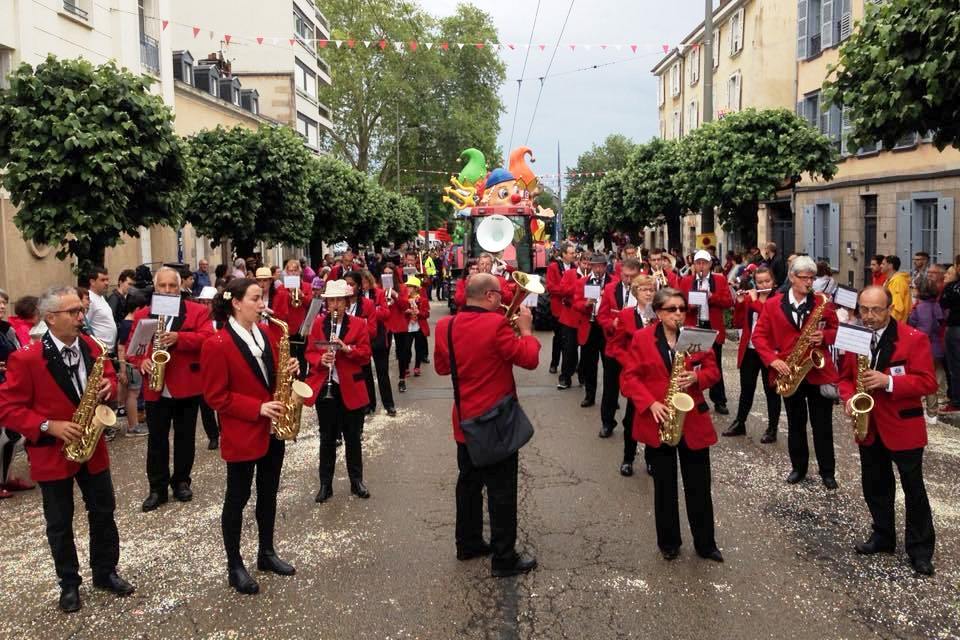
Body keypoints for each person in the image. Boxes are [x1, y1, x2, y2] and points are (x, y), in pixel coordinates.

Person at [0, 286, 134, 612]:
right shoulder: (26, 358)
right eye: (73, 312)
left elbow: (111, 377)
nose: (80, 316)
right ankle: (69, 584)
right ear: (50, 318)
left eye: (80, 310)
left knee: (103, 512)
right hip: (52, 452)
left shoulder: (91, 346)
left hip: (93, 446)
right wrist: (50, 425)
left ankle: (105, 571)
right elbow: (8, 407)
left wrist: (109, 386)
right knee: (60, 522)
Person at [433, 273, 541, 577]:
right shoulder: (497, 324)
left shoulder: (445, 325)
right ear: (491, 296)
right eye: (502, 295)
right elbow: (529, 359)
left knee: (468, 484)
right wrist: (526, 330)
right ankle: (504, 558)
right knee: (502, 490)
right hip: (496, 421)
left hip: (464, 420)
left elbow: (442, 368)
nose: (505, 300)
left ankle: (467, 543)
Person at [201, 278, 301, 595]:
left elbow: (270, 375)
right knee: (237, 499)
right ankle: (234, 565)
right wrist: (257, 407)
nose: (263, 305)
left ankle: (266, 552)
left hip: (272, 430)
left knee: (269, 493)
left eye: (262, 298)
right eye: (256, 299)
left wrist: (289, 370)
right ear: (236, 302)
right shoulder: (216, 344)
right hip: (244, 431)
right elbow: (215, 397)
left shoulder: (268, 333)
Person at [620, 287, 724, 563]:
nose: (678, 314)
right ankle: (669, 543)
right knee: (665, 487)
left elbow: (714, 372)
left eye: (682, 309)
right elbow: (629, 378)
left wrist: (697, 379)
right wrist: (650, 404)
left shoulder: (696, 337)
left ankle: (705, 543)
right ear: (657, 312)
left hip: (693, 421)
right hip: (661, 419)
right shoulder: (642, 339)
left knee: (699, 486)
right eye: (671, 309)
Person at [838, 286, 937, 576]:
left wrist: (888, 382)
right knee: (875, 485)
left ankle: (920, 550)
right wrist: (848, 399)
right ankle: (883, 536)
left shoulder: (913, 338)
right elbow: (844, 377)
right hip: (868, 424)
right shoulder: (853, 335)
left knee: (913, 490)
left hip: (902, 426)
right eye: (863, 310)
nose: (868, 316)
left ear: (890, 308)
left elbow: (927, 382)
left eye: (876, 310)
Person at [127, 267, 214, 512]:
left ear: (179, 288)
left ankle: (182, 482)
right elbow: (133, 349)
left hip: (187, 384)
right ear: (156, 288)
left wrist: (179, 338)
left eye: (172, 286)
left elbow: (208, 338)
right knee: (157, 440)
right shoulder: (143, 314)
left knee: (185, 438)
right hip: (156, 385)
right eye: (162, 286)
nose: (167, 290)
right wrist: (140, 361)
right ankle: (157, 488)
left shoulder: (196, 311)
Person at [752, 256, 840, 489]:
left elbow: (835, 329)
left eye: (812, 278)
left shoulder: (822, 302)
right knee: (795, 423)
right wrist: (773, 361)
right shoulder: (772, 304)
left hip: (817, 370)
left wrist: (825, 336)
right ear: (792, 278)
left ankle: (827, 472)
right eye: (804, 278)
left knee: (823, 425)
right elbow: (758, 336)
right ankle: (798, 468)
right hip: (789, 371)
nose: (809, 283)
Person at [305, 279, 372, 503]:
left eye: (338, 300)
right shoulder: (318, 324)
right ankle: (326, 484)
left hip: (350, 388)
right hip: (326, 388)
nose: (334, 305)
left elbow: (365, 355)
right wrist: (321, 359)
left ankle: (356, 481)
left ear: (346, 302)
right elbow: (309, 352)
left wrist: (347, 349)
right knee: (327, 438)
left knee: (353, 437)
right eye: (331, 300)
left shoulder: (359, 324)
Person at [725, 267, 782, 443]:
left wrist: (755, 301)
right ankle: (740, 422)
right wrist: (741, 302)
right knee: (746, 388)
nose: (764, 285)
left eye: (767, 281)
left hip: (769, 351)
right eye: (760, 282)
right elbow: (738, 322)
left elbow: (770, 318)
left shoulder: (779, 299)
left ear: (773, 282)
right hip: (750, 348)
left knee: (771, 390)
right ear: (754, 283)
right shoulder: (752, 297)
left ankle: (772, 428)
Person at [609, 274, 656, 476]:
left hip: (655, 375)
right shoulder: (627, 315)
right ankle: (628, 458)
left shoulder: (659, 315)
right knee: (631, 419)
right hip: (635, 376)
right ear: (636, 292)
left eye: (652, 289)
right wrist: (630, 362)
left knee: (655, 418)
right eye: (644, 289)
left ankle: (651, 460)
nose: (648, 293)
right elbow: (615, 346)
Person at [680, 250, 734, 415]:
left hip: (712, 327)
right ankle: (695, 399)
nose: (701, 266)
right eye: (698, 263)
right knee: (691, 364)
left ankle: (719, 400)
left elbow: (728, 302)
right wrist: (691, 305)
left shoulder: (719, 279)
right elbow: (681, 304)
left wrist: (711, 297)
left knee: (714, 365)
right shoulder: (687, 280)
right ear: (694, 265)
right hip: (693, 326)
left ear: (710, 264)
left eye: (704, 263)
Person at [596, 258, 642, 437]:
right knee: (610, 387)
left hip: (635, 348)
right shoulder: (610, 289)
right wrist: (611, 324)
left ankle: (632, 424)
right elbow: (602, 316)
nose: (628, 280)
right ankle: (607, 422)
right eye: (625, 276)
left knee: (634, 387)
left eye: (632, 276)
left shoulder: (645, 289)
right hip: (614, 345)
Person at [572, 255, 613, 409]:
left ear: (605, 266)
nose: (598, 269)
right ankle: (590, 396)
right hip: (589, 326)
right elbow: (576, 303)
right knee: (590, 365)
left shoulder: (613, 281)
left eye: (601, 266)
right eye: (595, 266)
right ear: (590, 266)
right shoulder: (582, 282)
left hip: (606, 328)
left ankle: (611, 398)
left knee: (609, 365)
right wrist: (586, 303)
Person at [908, 277, 946, 426]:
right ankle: (932, 411)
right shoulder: (936, 305)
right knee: (936, 376)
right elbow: (939, 321)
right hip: (937, 345)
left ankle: (931, 412)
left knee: (925, 379)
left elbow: (919, 327)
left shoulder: (920, 308)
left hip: (924, 346)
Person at [360, 270, 396, 417]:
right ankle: (369, 404)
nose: (363, 285)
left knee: (382, 372)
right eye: (361, 283)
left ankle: (389, 404)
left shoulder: (379, 293)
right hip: (363, 336)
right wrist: (374, 311)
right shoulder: (357, 296)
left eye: (365, 282)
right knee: (366, 372)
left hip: (379, 335)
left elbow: (386, 313)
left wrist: (371, 312)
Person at [115, 291, 149, 437]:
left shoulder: (127, 322)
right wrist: (123, 370)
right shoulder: (128, 324)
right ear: (137, 309)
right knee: (133, 394)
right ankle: (133, 426)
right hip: (131, 364)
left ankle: (134, 424)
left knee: (132, 393)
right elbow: (121, 347)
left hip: (131, 363)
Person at [272, 258, 314, 378]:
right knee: (290, 356)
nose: (293, 273)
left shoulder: (307, 287)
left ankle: (302, 380)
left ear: (300, 272)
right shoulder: (281, 289)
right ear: (287, 273)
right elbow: (279, 309)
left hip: (302, 327)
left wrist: (301, 296)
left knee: (302, 356)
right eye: (290, 271)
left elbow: (311, 305)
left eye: (295, 270)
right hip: (288, 327)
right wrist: (287, 294)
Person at [556, 252, 590, 390]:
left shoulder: (593, 278)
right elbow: (562, 290)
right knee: (569, 350)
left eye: (589, 264)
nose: (586, 266)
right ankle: (565, 378)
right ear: (579, 262)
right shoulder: (570, 274)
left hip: (586, 318)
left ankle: (583, 376)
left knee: (587, 351)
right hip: (570, 317)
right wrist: (579, 284)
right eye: (584, 263)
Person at [196, 286, 222, 448]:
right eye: (202, 302)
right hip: (203, 367)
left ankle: (224, 430)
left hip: (219, 365)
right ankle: (212, 435)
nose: (205, 306)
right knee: (205, 404)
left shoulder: (222, 321)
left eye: (208, 303)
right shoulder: (198, 321)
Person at [546, 243, 577, 374]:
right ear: (564, 254)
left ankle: (570, 364)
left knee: (571, 340)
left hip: (571, 309)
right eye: (571, 253)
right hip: (558, 308)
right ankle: (554, 363)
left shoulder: (575, 268)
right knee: (559, 337)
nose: (574, 255)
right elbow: (551, 287)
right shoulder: (553, 267)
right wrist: (567, 291)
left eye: (574, 253)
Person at [394, 277, 430, 389]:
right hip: (407, 327)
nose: (407, 288)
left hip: (419, 327)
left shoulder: (423, 300)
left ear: (415, 288)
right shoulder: (404, 299)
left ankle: (417, 366)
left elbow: (426, 314)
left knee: (419, 348)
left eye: (410, 286)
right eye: (407, 286)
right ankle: (405, 367)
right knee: (406, 349)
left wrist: (419, 312)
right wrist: (407, 311)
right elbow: (400, 312)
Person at [940, 267, 960, 414]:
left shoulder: (952, 288)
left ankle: (956, 401)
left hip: (955, 327)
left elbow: (943, 304)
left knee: (955, 366)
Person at [85, 265, 117, 351]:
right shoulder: (89, 299)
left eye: (107, 280)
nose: (106, 283)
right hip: (98, 351)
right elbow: (85, 326)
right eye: (102, 280)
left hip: (107, 351)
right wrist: (96, 346)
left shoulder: (101, 297)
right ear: (92, 282)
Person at [882, 255, 912, 322]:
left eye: (883, 264)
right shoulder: (890, 281)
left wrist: (890, 324)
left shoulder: (898, 281)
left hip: (897, 324)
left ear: (890, 266)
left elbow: (897, 308)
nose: (881, 266)